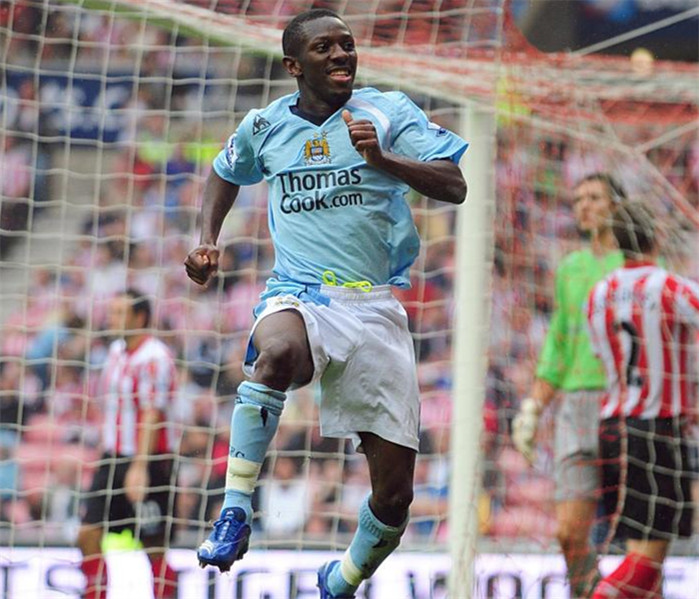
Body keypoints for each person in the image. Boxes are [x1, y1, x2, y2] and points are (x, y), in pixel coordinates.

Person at [184, 8, 468, 598]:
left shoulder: (387, 112)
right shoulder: (264, 126)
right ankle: (235, 509)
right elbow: (224, 172)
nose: (341, 54)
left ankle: (340, 581)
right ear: (294, 66)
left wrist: (384, 161)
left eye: (347, 44)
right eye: (324, 48)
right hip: (301, 293)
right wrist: (207, 239)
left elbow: (454, 184)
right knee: (276, 354)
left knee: (394, 497)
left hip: (374, 307)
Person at [512, 172, 626, 597]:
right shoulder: (570, 268)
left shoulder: (637, 262)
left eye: (594, 197)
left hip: (627, 402)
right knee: (568, 532)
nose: (584, 206)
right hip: (575, 406)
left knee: (638, 533)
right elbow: (559, 343)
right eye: (578, 199)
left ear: (617, 206)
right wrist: (533, 407)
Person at [586, 201, 697, 598]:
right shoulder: (670, 287)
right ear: (657, 237)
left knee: (642, 556)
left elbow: (601, 355)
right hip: (656, 430)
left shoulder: (598, 294)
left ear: (617, 240)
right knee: (648, 562)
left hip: (612, 430)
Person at [77, 289, 179, 599]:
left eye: (120, 312)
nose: (112, 318)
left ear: (140, 317)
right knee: (87, 534)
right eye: (112, 311)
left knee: (153, 545)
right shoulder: (116, 352)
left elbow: (152, 413)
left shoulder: (155, 358)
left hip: (149, 461)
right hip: (113, 458)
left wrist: (140, 467)